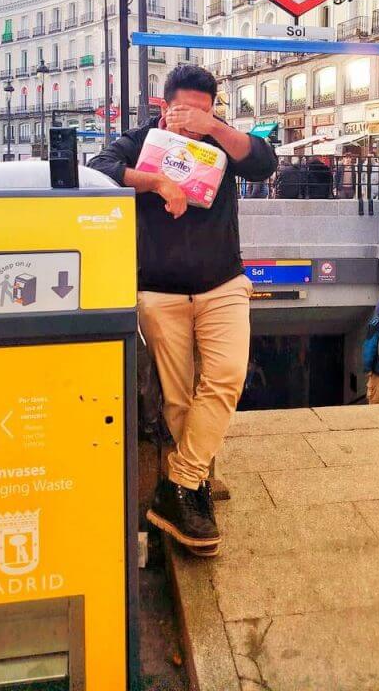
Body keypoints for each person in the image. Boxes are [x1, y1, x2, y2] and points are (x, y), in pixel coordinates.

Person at [90, 64, 277, 556]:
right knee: (177, 399)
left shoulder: (222, 141)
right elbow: (94, 171)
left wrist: (213, 129)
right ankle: (190, 496)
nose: (192, 117)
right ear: (164, 105)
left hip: (223, 284)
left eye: (203, 109)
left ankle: (179, 482)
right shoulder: (138, 140)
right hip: (160, 293)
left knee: (226, 377)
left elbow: (264, 162)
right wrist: (153, 184)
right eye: (184, 109)